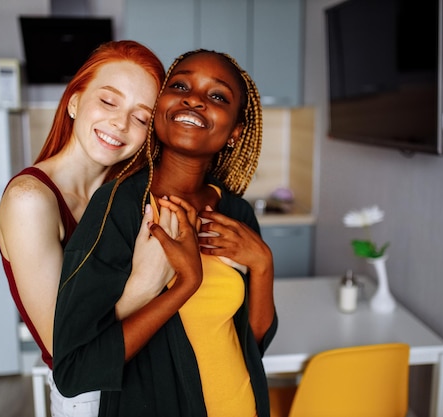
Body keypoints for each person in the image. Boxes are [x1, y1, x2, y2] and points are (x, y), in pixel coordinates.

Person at [53, 49, 277, 417]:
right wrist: (187, 282)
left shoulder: (235, 212)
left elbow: (251, 346)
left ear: (235, 133)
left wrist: (263, 265)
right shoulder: (118, 207)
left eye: (217, 96)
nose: (194, 98)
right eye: (180, 85)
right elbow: (76, 370)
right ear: (160, 108)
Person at [0, 40, 172, 417]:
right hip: (89, 395)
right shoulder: (30, 200)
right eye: (108, 101)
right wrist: (145, 286)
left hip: (146, 382)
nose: (120, 124)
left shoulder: (126, 196)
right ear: (74, 101)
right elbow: (66, 349)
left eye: (141, 118)